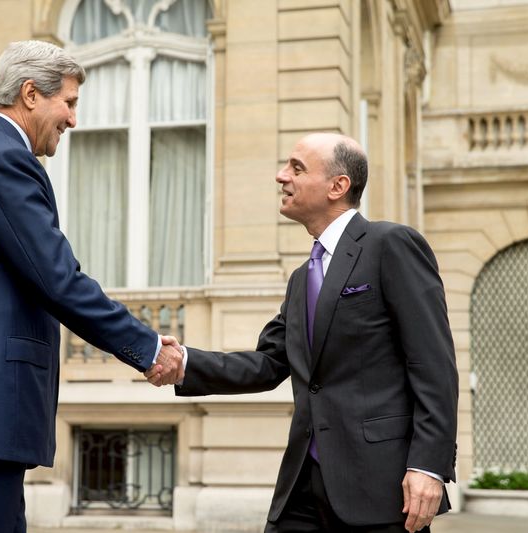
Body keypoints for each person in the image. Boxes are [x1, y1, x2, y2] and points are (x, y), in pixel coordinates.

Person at [0, 40, 183, 533]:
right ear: (31, 94)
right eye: (69, 103)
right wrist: (145, 346)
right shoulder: (4, 161)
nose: (73, 119)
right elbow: (58, 279)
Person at [148, 133, 458, 533]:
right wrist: (184, 362)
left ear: (337, 186)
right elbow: (268, 363)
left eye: (296, 168)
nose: (281, 177)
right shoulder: (302, 279)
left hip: (380, 488)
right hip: (303, 487)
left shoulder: (390, 244)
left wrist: (428, 465)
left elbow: (433, 363)